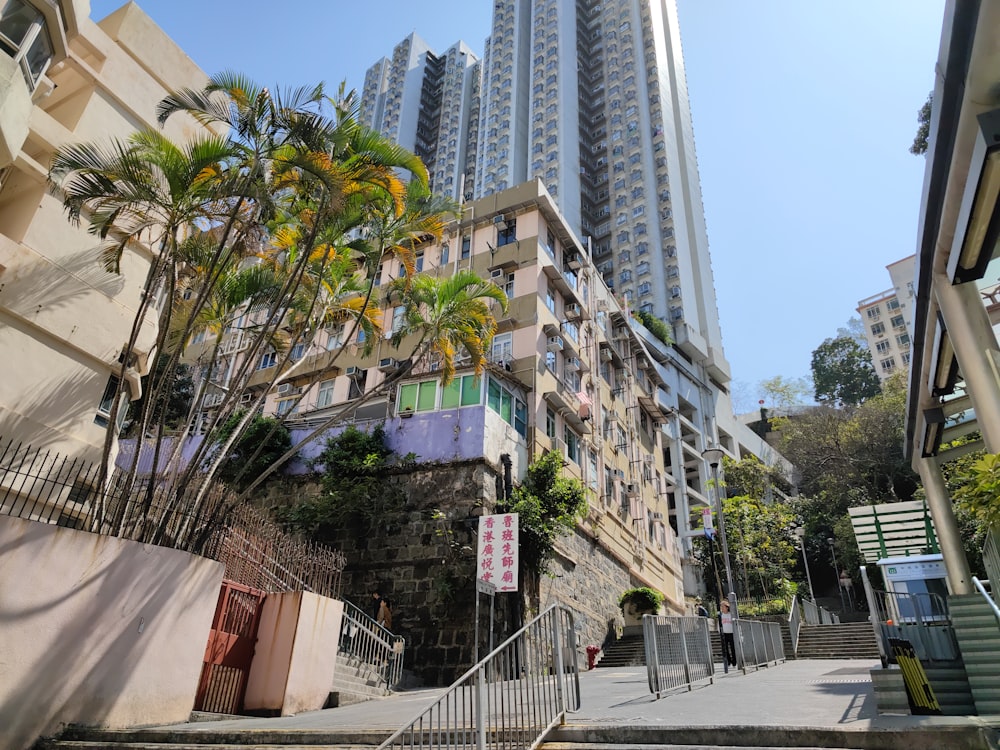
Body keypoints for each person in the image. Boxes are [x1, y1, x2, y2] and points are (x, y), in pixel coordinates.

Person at [718, 599, 736, 668]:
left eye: (723, 606)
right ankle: (728, 661)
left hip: (731, 633)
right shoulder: (721, 615)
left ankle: (734, 661)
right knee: (725, 648)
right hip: (724, 633)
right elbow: (719, 624)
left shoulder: (731, 615)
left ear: (727, 607)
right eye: (721, 607)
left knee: (733, 648)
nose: (722, 608)